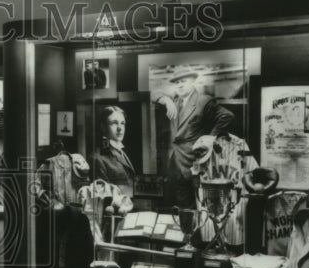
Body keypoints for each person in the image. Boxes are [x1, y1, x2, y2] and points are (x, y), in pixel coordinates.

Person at [153, 70, 233, 208]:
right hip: (176, 161)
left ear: (193, 82)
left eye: (183, 81)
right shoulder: (174, 100)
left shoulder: (203, 100)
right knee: (181, 203)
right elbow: (154, 93)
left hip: (195, 161)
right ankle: (185, 227)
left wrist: (210, 137)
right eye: (177, 83)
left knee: (199, 203)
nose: (180, 85)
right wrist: (165, 100)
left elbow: (227, 116)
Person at [91, 105, 136, 197]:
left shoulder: (121, 152)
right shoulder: (97, 158)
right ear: (103, 127)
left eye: (122, 123)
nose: (120, 128)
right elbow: (102, 196)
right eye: (114, 123)